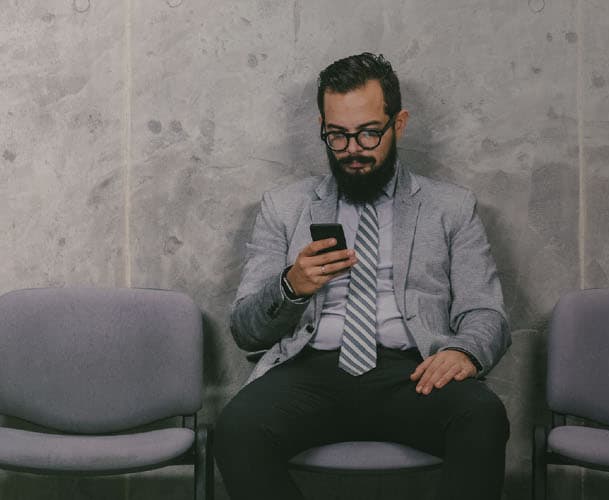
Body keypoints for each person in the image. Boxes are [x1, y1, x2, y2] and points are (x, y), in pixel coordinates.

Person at [214, 53, 510, 500]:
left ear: (400, 123)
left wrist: (465, 352)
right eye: (337, 136)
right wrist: (292, 286)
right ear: (323, 128)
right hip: (311, 371)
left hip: (412, 372)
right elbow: (245, 331)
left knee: (482, 416)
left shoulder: (451, 207)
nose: (353, 149)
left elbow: (486, 312)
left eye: (369, 133)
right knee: (236, 428)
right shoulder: (284, 207)